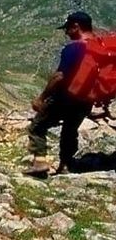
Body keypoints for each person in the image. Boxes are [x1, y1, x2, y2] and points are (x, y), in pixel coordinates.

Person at [25, 11, 95, 177]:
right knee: (70, 129)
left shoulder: (74, 47)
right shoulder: (99, 46)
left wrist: (41, 98)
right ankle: (66, 164)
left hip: (66, 98)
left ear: (76, 26)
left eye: (68, 28)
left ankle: (40, 163)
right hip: (86, 100)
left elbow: (59, 76)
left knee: (37, 126)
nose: (66, 32)